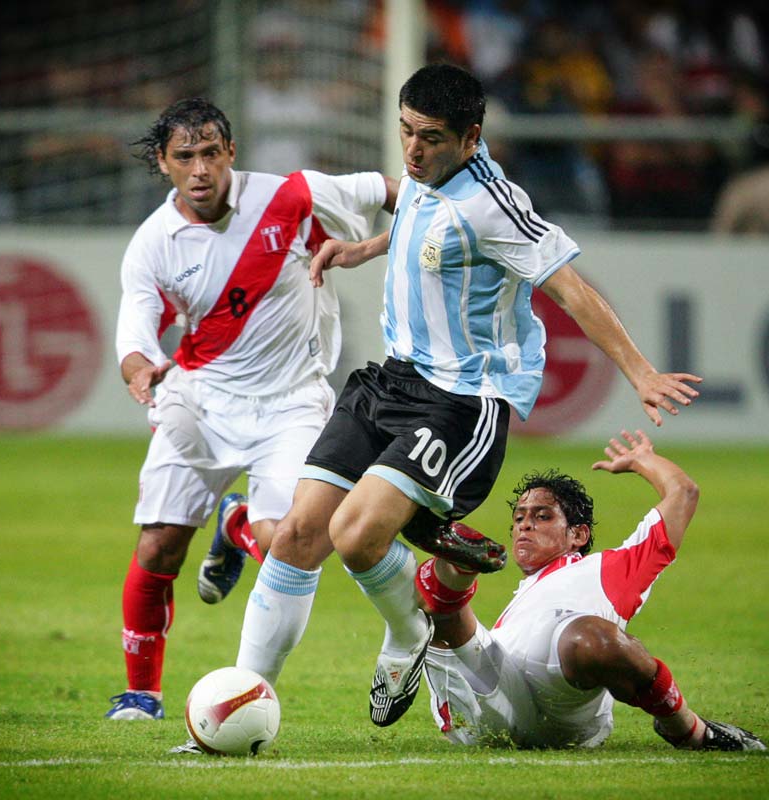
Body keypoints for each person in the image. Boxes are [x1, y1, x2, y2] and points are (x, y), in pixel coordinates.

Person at [214, 62, 702, 733]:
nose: (413, 150)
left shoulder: (496, 204)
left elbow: (572, 292)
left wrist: (640, 373)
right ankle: (242, 700)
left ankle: (408, 631)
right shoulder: (427, 172)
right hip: (391, 380)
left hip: (460, 401)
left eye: (431, 137)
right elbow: (424, 225)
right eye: (406, 131)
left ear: (471, 138)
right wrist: (368, 248)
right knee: (298, 534)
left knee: (354, 535)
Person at [105, 97, 397, 720]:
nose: (200, 169)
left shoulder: (290, 196)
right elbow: (136, 326)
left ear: (231, 152)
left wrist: (441, 219)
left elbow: (386, 188)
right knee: (159, 547)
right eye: (185, 156)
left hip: (292, 402)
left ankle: (241, 524)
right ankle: (141, 695)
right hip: (200, 402)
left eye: (211, 153)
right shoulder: (153, 243)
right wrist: (139, 368)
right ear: (163, 163)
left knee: (294, 542)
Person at [418, 429, 766, 751]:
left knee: (593, 637)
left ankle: (688, 730)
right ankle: (448, 582)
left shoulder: (608, 568)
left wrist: (643, 461)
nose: (525, 525)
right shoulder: (520, 601)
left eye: (542, 516)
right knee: (430, 599)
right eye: (520, 517)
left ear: (578, 535)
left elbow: (684, 493)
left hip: (567, 715)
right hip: (489, 709)